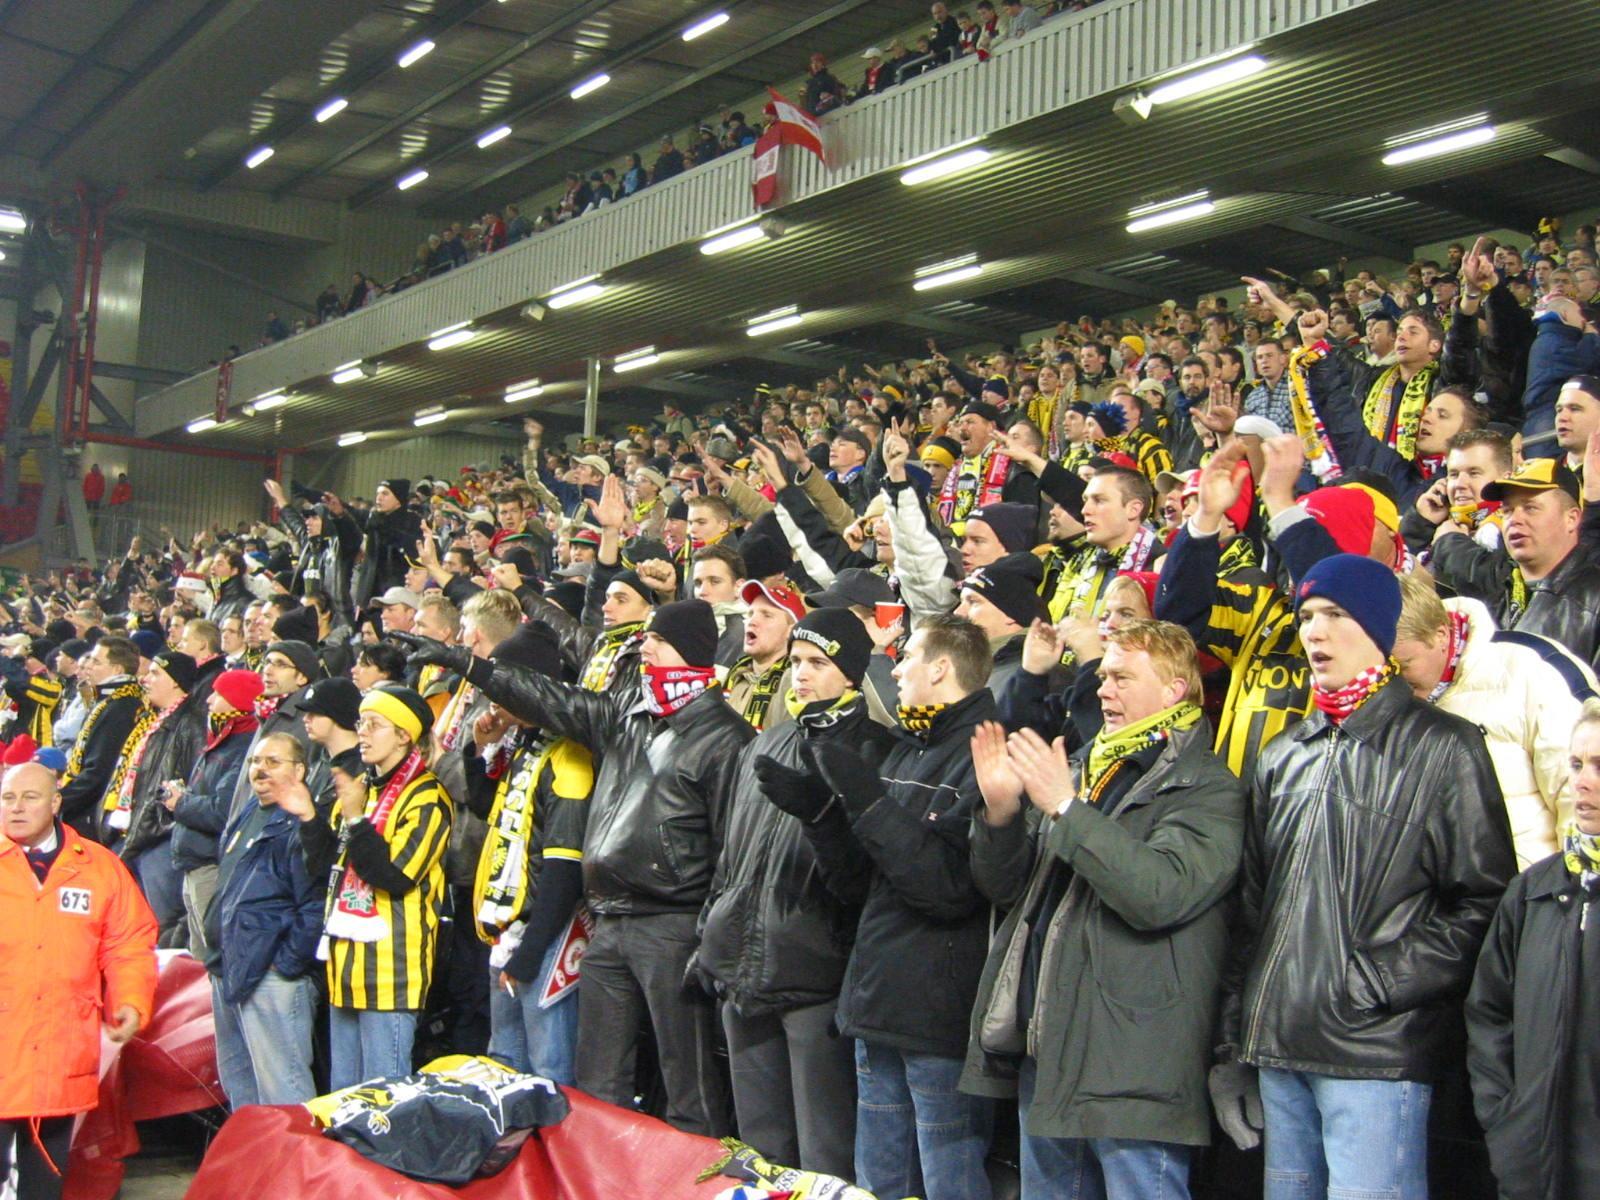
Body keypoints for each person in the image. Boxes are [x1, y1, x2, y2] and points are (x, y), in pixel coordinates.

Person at [1210, 554, 1517, 1200]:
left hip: (1374, 1052)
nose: (1314, 632)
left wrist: (1377, 981)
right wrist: (1233, 1043)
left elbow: (1485, 901)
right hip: (1278, 1048)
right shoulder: (1281, 755)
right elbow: (1252, 913)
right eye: (1305, 616)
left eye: (1335, 614)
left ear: (1378, 629)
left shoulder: (1446, 746)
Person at [404, 599, 751, 1136]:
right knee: (596, 1081)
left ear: (689, 650)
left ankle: (696, 1171)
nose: (645, 646)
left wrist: (709, 940)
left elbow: (732, 849)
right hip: (609, 919)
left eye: (658, 640)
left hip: (673, 925)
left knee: (688, 1077)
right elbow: (548, 697)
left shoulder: (727, 736)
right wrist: (469, 665)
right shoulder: (626, 713)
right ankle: (597, 1171)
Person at [965, 619, 1244, 1199]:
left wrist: (1067, 809)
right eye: (1103, 676)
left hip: (1134, 1065)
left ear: (1173, 690)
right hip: (1050, 1048)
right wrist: (1001, 814)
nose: (1103, 689)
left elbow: (1160, 893)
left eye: (1121, 677)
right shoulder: (1084, 768)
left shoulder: (1208, 787)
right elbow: (1007, 889)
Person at [800, 613, 998, 1200]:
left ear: (941, 669)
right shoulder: (907, 749)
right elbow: (860, 884)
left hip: (938, 1017)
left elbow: (947, 889)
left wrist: (870, 803)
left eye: (907, 655)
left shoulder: (987, 754)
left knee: (948, 1181)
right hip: (877, 999)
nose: (895, 668)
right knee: (878, 1182)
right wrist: (819, 818)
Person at [691, 609, 896, 1177]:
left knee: (823, 1157)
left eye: (818, 663)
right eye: (796, 661)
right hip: (740, 973)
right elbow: (729, 854)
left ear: (851, 673)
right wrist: (710, 935)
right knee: (760, 1157)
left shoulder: (877, 752)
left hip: (816, 980)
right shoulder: (767, 742)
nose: (801, 674)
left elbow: (864, 880)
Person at [0, 760, 157, 1200]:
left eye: (29, 797)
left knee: (44, 1183)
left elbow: (128, 943)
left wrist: (130, 1000)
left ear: (55, 803)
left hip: (59, 1051)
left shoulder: (99, 868)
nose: (16, 807)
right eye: (8, 798)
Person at [1466, 700, 1600, 1200]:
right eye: (1576, 764)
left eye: (1599, 766)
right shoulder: (1533, 891)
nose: (1583, 782)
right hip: (1533, 1167)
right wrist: (1507, 1118)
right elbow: (1489, 1012)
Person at [297, 684, 452, 1089]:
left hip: (391, 973)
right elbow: (326, 868)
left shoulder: (428, 797)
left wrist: (356, 820)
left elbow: (394, 877)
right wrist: (309, 818)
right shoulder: (360, 789)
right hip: (345, 968)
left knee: (383, 1099)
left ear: (403, 735)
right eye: (361, 722)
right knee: (343, 1097)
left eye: (374, 724)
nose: (361, 732)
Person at [1393, 573, 1597, 869]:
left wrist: (1569, 887)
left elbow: (1578, 791)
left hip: (1529, 887)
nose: (1393, 682)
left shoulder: (1530, 669)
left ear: (1441, 635)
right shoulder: (1368, 693)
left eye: (1404, 666)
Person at [462, 624, 591, 1085]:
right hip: (513, 929)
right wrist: (481, 748)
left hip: (546, 936)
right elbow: (489, 810)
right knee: (504, 1066)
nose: (493, 694)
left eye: (504, 682)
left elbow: (564, 864)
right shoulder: (524, 744)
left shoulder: (569, 754)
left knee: (549, 1072)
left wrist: (532, 950)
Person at [207, 732, 325, 1106]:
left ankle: (294, 1150)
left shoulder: (303, 823)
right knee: (240, 1087)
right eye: (256, 761)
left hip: (270, 976)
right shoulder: (248, 812)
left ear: (300, 770)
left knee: (284, 1093)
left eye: (273, 762)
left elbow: (316, 904)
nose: (260, 769)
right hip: (229, 966)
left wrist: (284, 964)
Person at [167, 668, 264, 958]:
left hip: (211, 862)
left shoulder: (243, 748)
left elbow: (224, 811)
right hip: (194, 861)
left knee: (213, 955)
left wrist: (180, 804)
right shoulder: (221, 739)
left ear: (238, 701)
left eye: (219, 694)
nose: (209, 700)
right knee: (199, 958)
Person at [59, 636, 145, 838]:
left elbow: (99, 771)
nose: (88, 665)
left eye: (96, 661)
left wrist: (60, 800)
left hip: (92, 814)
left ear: (117, 670)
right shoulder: (108, 700)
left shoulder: (121, 707)